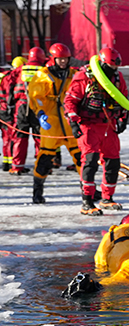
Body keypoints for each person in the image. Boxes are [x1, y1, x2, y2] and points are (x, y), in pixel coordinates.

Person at [64, 46, 129, 215]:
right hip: (89, 125)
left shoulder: (117, 77)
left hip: (109, 125)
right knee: (90, 162)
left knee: (112, 162)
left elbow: (123, 99)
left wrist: (123, 119)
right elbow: (70, 101)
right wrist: (74, 123)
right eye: (111, 67)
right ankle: (87, 201)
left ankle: (107, 198)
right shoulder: (84, 77)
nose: (114, 70)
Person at [28, 43, 81, 205]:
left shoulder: (74, 74)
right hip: (51, 123)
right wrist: (40, 113)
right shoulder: (43, 75)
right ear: (53, 59)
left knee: (81, 159)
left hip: (69, 124)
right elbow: (36, 96)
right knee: (45, 159)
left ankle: (88, 191)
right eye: (60, 59)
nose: (63, 62)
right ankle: (37, 191)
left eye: (65, 59)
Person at [8, 47, 46, 175]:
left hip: (21, 106)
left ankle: (17, 166)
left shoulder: (21, 68)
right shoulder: (44, 70)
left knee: (20, 136)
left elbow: (9, 82)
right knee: (40, 138)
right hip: (39, 107)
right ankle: (42, 167)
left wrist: (9, 102)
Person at [0, 56, 26, 172]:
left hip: (2, 108)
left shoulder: (3, 75)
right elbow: (8, 95)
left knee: (6, 137)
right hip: (5, 110)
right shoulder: (9, 78)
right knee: (9, 136)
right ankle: (9, 163)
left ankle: (7, 162)